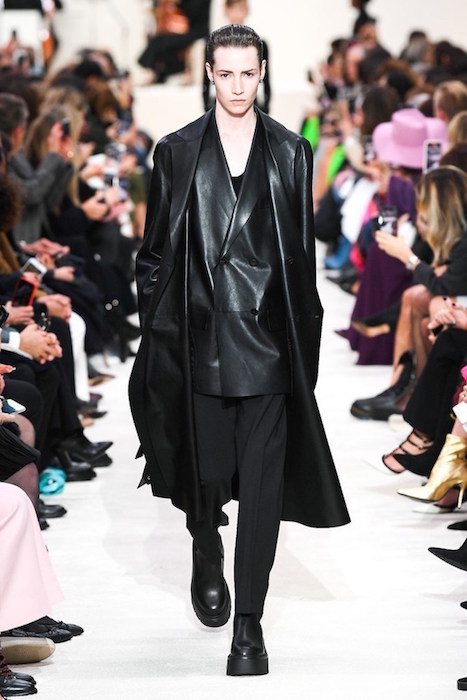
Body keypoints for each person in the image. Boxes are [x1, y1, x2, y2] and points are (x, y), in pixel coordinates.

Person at [129, 24, 349, 676]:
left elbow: (299, 260)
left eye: (245, 73)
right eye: (224, 73)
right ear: (209, 74)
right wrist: (158, 328)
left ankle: (248, 627)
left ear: (261, 73)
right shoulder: (175, 151)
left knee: (260, 488)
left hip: (267, 345)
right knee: (206, 472)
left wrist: (302, 352)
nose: (235, 85)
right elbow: (154, 253)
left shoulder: (289, 151)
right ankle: (204, 542)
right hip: (196, 339)